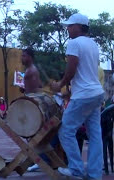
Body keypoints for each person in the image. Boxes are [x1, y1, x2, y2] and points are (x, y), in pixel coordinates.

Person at [50, 13, 104, 179]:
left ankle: (76, 170)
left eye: (70, 25)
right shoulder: (93, 44)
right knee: (95, 135)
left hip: (84, 95)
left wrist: (59, 84)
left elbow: (72, 70)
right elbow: (87, 73)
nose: (68, 28)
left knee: (65, 130)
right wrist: (70, 92)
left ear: (79, 26)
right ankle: (94, 174)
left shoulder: (74, 43)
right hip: (97, 93)